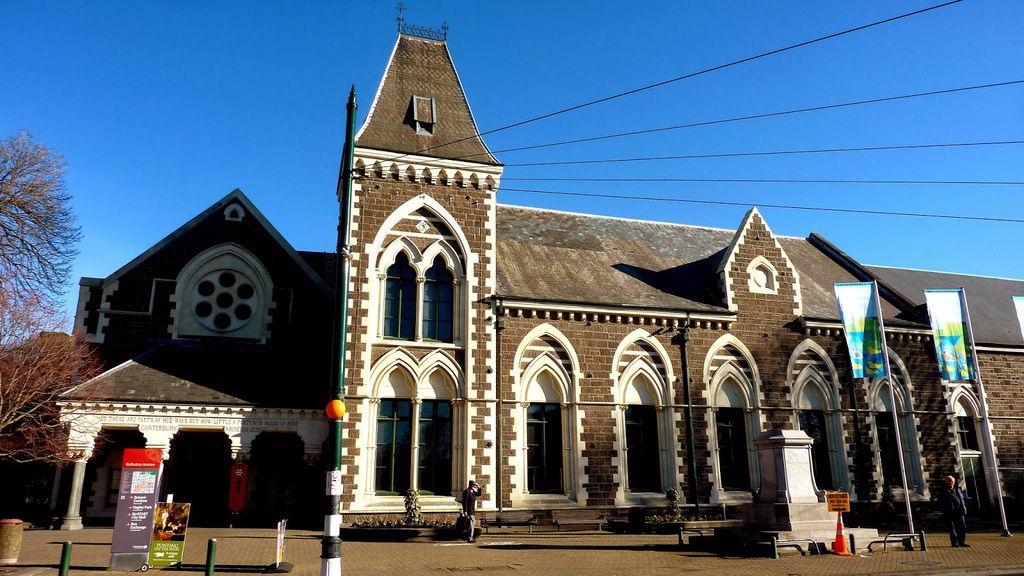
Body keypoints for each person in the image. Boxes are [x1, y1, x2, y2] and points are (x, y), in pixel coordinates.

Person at [938, 475, 969, 548]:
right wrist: (945, 510)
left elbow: (962, 500)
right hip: (949, 512)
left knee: (962, 527)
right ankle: (955, 543)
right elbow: (941, 501)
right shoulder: (943, 490)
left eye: (952, 481)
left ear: (954, 482)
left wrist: (963, 509)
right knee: (952, 528)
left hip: (959, 511)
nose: (951, 482)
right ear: (946, 482)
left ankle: (961, 541)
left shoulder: (957, 489)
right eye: (949, 481)